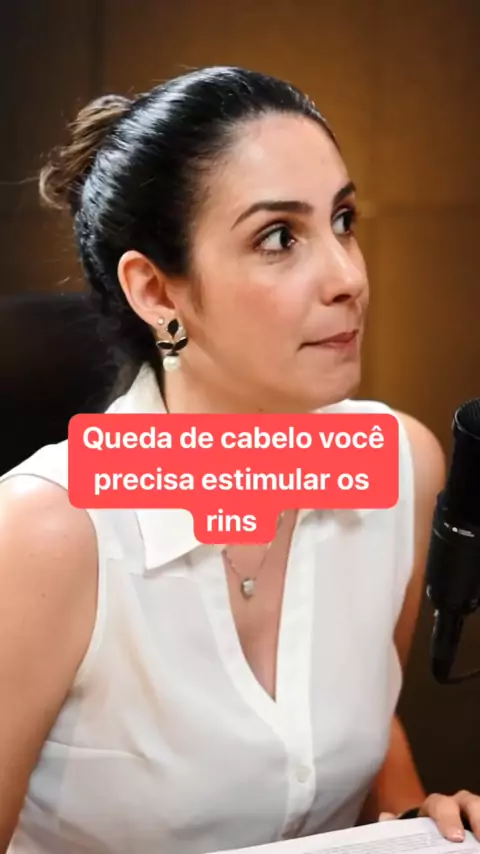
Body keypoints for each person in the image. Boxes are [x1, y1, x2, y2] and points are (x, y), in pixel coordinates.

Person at [0, 66, 478, 854]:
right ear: (156, 292)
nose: (349, 278)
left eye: (344, 221)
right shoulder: (45, 533)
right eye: (279, 238)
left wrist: (421, 823)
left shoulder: (402, 467)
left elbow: (361, 722)